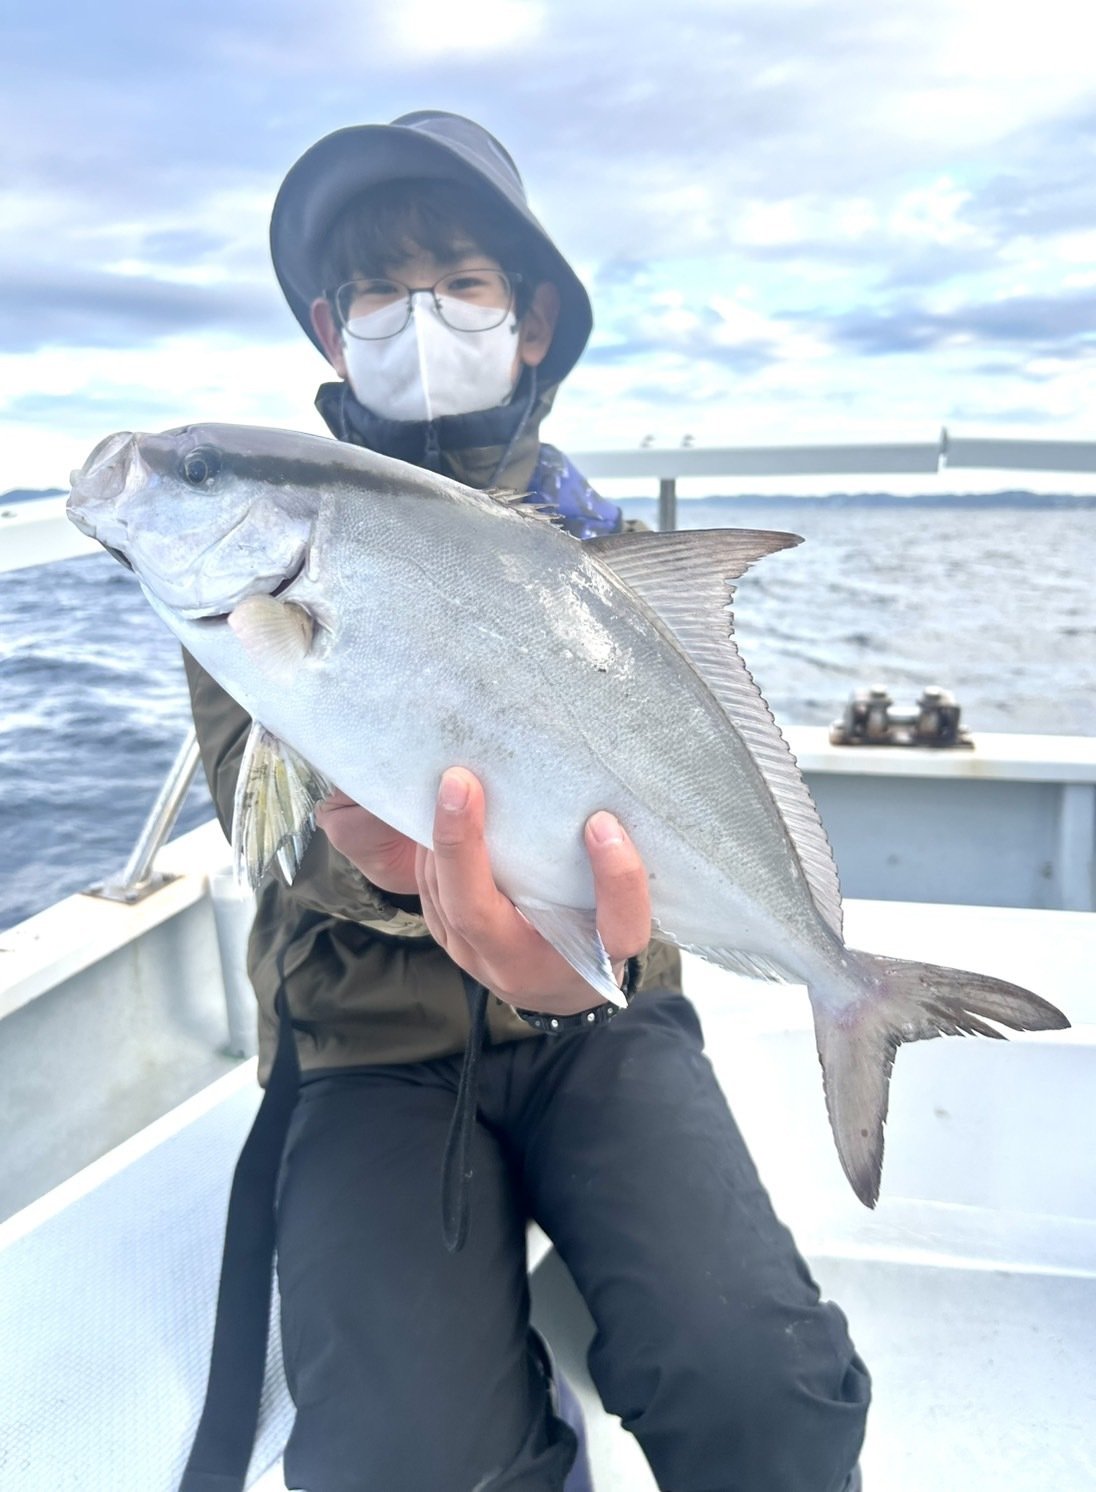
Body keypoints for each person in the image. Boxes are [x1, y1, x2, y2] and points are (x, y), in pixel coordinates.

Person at [183, 111, 869, 1492]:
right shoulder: (252, 549)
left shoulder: (614, 565)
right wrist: (386, 874)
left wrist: (593, 962)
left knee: (770, 1394)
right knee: (402, 1466)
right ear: (329, 329)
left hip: (607, 1021)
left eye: (460, 281)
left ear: (533, 318)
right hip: (366, 1045)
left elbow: (674, 815)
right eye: (379, 292)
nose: (419, 317)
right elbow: (270, 833)